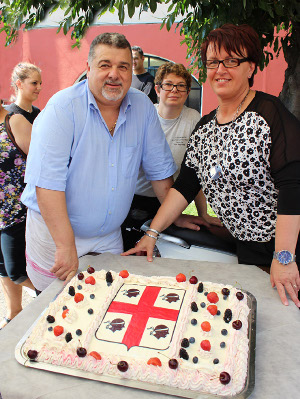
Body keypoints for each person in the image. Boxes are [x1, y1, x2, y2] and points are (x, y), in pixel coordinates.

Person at [123, 24, 300, 308]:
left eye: (232, 61)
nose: (221, 70)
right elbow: (185, 186)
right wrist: (152, 233)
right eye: (213, 62)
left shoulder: (269, 114)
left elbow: (293, 188)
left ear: (251, 67)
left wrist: (285, 257)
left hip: (285, 247)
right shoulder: (205, 127)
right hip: (245, 245)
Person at [21, 32, 178, 293]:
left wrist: (173, 212)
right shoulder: (62, 108)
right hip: (55, 234)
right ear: (88, 69)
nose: (114, 74)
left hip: (108, 235)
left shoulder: (143, 107)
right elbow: (47, 185)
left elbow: (159, 170)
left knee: (109, 305)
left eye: (123, 67)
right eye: (105, 65)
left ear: (131, 72)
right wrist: (65, 245)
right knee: (55, 314)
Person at [122, 62, 220, 250]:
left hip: (170, 200)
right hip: (137, 200)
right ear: (157, 89)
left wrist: (204, 214)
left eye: (181, 86)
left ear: (187, 91)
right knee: (133, 252)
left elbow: (195, 172)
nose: (174, 90)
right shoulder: (145, 115)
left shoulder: (193, 120)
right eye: (168, 84)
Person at [0, 99, 36, 329]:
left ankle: (63, 294)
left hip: (19, 212)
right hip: (1, 215)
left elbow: (43, 163)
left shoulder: (14, 121)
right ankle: (14, 314)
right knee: (2, 268)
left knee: (17, 271)